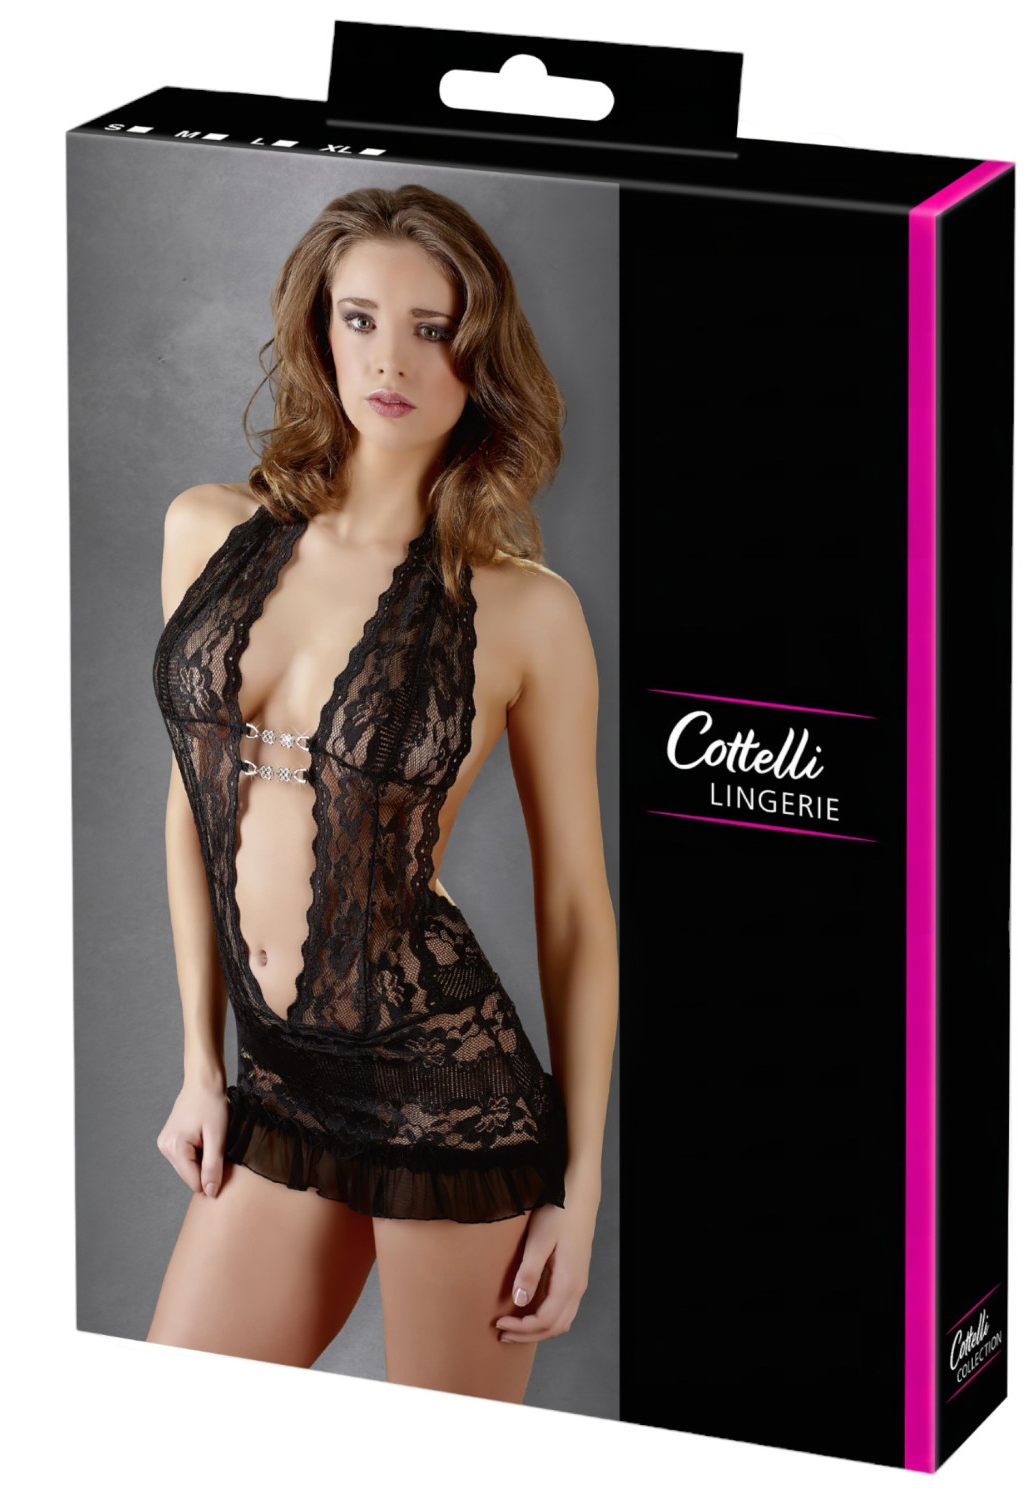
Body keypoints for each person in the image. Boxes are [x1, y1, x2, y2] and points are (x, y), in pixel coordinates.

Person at [144, 184, 618, 1404]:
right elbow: (194, 807)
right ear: (320, 329)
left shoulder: (526, 612)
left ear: (479, 353)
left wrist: (579, 1191)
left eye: (430, 328)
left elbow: (576, 910)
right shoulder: (207, 531)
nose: (389, 360)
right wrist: (201, 1065)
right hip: (279, 1081)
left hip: (446, 1095)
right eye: (359, 319)